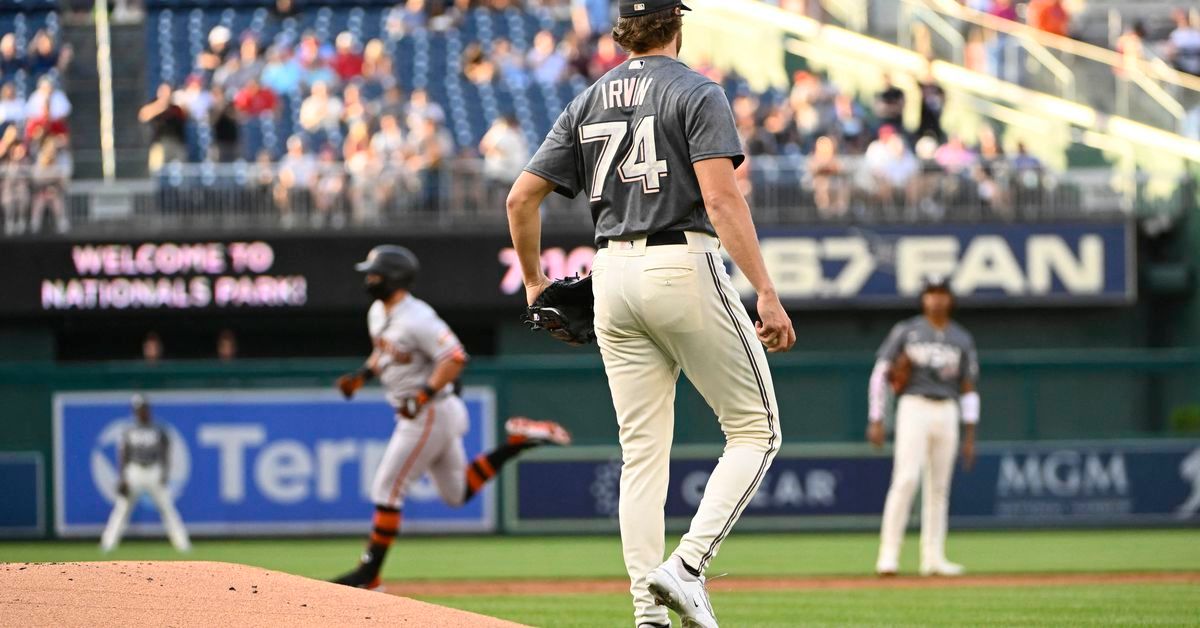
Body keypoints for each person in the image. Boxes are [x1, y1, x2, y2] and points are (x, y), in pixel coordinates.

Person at [507, 2, 795, 626]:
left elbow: (520, 197)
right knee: (756, 430)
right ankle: (687, 567)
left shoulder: (588, 99)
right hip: (679, 262)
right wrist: (765, 290)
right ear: (677, 26)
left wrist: (534, 283)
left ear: (620, 33)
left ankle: (647, 613)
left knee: (640, 455)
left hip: (609, 273)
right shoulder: (696, 89)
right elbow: (720, 199)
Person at [330, 245, 572, 590]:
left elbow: (455, 358)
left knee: (387, 487)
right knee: (456, 493)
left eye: (375, 273)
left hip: (429, 412)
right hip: (429, 411)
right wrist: (362, 375)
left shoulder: (418, 317)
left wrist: (423, 395)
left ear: (394, 277)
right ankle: (518, 443)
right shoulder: (377, 311)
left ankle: (369, 574)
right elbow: (382, 353)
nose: (368, 279)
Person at [868, 276, 979, 577]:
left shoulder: (961, 338)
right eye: (931, 294)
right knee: (906, 479)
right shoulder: (907, 330)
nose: (937, 299)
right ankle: (888, 556)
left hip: (947, 409)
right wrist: (876, 417)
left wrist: (971, 432)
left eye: (942, 294)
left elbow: (968, 387)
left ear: (950, 299)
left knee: (939, 487)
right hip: (914, 405)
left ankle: (933, 558)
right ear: (923, 299)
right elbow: (880, 373)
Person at [99, 395, 192, 553]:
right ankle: (108, 544)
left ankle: (182, 544)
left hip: (153, 471)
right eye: (138, 409)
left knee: (167, 508)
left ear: (148, 409)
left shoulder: (159, 430)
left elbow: (165, 453)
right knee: (122, 509)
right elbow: (123, 455)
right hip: (134, 471)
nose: (141, 412)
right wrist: (122, 477)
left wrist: (165, 472)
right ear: (135, 411)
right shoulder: (129, 430)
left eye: (143, 408)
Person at [138, 83, 187, 173]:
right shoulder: (153, 104)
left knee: (181, 171)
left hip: (175, 142)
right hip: (159, 143)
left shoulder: (175, 108)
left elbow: (185, 116)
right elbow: (143, 115)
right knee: (157, 171)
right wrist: (161, 105)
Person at [1167, 9, 1200, 76]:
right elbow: (1170, 52)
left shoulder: (1195, 32)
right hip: (1183, 67)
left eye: (1184, 18)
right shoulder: (1175, 35)